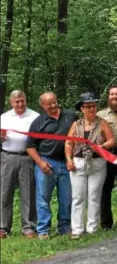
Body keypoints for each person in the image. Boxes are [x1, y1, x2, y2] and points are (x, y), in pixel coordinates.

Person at [26, 92, 78, 240]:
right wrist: (40, 163)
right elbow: (29, 146)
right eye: (49, 104)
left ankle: (64, 227)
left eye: (55, 102)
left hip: (67, 162)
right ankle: (43, 230)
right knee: (43, 198)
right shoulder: (38, 122)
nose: (53, 105)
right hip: (47, 163)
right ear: (42, 105)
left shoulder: (70, 115)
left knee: (67, 198)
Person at [65, 92, 115, 239]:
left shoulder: (102, 123)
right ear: (82, 108)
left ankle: (92, 227)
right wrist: (69, 159)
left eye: (93, 106)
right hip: (78, 162)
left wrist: (101, 146)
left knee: (94, 196)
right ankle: (77, 229)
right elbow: (68, 142)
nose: (92, 109)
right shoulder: (76, 125)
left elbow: (111, 140)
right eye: (88, 106)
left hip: (97, 162)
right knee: (78, 197)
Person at [0, 90, 40, 239]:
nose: (20, 104)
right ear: (11, 102)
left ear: (26, 100)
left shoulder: (35, 116)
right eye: (17, 101)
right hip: (7, 157)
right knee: (4, 193)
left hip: (27, 157)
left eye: (22, 100)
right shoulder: (3, 117)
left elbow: (39, 139)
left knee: (28, 193)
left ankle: (29, 227)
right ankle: (3, 227)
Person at [97, 85, 117, 230]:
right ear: (108, 96)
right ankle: (106, 223)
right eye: (112, 94)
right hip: (107, 154)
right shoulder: (101, 115)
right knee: (105, 188)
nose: (115, 96)